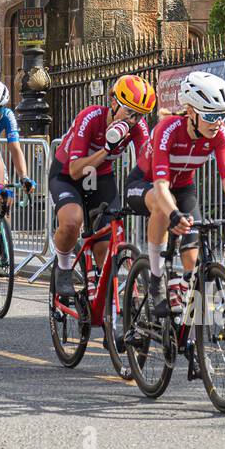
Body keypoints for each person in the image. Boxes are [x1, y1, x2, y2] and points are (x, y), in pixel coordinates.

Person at [124, 71, 225, 315]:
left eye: (222, 115)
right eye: (210, 115)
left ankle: (184, 312)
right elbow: (161, 186)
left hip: (183, 189)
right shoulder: (167, 130)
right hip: (146, 184)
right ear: (191, 113)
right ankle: (156, 281)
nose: (218, 122)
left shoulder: (220, 134)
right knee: (162, 205)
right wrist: (174, 215)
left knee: (192, 257)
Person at [49, 75, 154, 299]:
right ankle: (63, 266)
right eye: (129, 112)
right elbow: (76, 169)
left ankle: (107, 311)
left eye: (140, 115)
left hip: (100, 177)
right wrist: (107, 149)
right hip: (67, 175)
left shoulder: (137, 126)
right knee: (72, 221)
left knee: (105, 247)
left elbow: (147, 161)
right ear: (113, 102)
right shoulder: (91, 117)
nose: (134, 120)